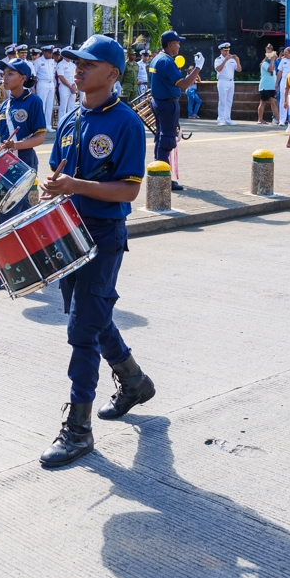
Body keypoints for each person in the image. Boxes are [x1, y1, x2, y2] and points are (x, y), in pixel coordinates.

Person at [38, 34, 151, 468]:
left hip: (103, 235)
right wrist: (53, 187)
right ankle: (134, 381)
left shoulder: (125, 122)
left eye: (89, 62)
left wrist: (76, 186)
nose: (78, 68)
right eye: (77, 62)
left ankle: (78, 430)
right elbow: (57, 172)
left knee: (82, 330)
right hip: (68, 233)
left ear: (112, 73)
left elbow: (128, 188)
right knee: (92, 316)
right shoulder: (71, 118)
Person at [0, 57, 48, 291]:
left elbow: (39, 137)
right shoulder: (5, 105)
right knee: (22, 217)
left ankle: (4, 271)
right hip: (7, 167)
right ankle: (44, 257)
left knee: (6, 219)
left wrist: (15, 146)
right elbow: (3, 140)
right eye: (4, 74)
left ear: (23, 77)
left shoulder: (34, 102)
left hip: (24, 165)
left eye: (10, 74)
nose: (4, 77)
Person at [149, 30, 198, 190]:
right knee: (167, 139)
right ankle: (163, 179)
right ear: (171, 44)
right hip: (167, 104)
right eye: (177, 43)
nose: (179, 46)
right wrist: (197, 68)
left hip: (158, 102)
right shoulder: (167, 61)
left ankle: (158, 173)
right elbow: (183, 85)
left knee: (160, 137)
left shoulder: (156, 59)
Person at [213, 42, 241, 125]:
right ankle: (221, 119)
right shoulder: (218, 59)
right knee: (222, 101)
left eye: (228, 51)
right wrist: (225, 60)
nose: (227, 52)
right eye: (225, 51)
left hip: (231, 81)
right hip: (223, 81)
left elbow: (239, 69)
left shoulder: (232, 59)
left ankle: (228, 119)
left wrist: (238, 61)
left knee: (229, 101)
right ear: (221, 51)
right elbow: (218, 69)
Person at [33, 46, 58, 123]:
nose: (50, 55)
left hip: (51, 83)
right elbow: (34, 75)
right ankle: (41, 123)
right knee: (42, 104)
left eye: (51, 53)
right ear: (44, 52)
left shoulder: (52, 61)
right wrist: (36, 85)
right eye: (49, 53)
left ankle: (48, 124)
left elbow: (53, 74)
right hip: (42, 83)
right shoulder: (38, 61)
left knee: (50, 105)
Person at [275, 46, 290, 126]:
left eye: (286, 54)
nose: (285, 55)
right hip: (284, 81)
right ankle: (282, 120)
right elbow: (279, 72)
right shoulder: (283, 60)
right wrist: (276, 82)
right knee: (283, 100)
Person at [55, 46, 78, 124]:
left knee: (71, 106)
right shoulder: (60, 64)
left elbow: (75, 76)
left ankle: (70, 122)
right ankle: (61, 123)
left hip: (72, 86)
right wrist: (70, 86)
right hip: (65, 87)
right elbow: (61, 77)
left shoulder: (73, 65)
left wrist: (74, 86)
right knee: (63, 106)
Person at [256, 46, 278, 124]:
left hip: (271, 87)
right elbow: (270, 69)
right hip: (265, 87)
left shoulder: (273, 63)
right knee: (263, 102)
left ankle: (278, 120)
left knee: (274, 102)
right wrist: (271, 60)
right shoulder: (264, 63)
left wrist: (274, 59)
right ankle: (260, 119)